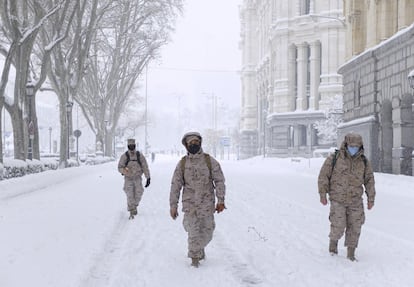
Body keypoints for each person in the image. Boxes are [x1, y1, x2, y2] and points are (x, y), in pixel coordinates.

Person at [169, 131, 226, 268]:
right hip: (190, 205)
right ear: (186, 145)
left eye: (196, 142)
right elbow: (175, 185)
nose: (194, 145)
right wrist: (173, 205)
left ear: (200, 143)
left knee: (208, 232)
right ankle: (195, 259)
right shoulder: (182, 164)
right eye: (191, 143)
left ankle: (198, 248)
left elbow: (219, 181)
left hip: (207, 204)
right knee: (193, 233)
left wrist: (221, 200)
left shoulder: (209, 161)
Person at [318, 133, 376, 261]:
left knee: (355, 227)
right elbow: (323, 176)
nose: (354, 148)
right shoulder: (334, 158)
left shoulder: (364, 162)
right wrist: (323, 194)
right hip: (338, 199)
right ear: (346, 145)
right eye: (351, 146)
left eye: (356, 146)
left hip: (355, 200)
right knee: (338, 225)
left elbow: (369, 180)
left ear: (360, 146)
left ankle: (351, 253)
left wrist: (371, 198)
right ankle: (333, 246)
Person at [118, 139, 151, 219]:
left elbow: (145, 166)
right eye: (130, 146)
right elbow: (119, 167)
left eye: (133, 146)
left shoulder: (139, 155)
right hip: (128, 178)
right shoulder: (125, 156)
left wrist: (148, 177)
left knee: (139, 193)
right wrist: (125, 171)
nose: (131, 147)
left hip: (137, 178)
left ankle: (135, 206)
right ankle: (132, 210)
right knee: (130, 195)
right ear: (128, 146)